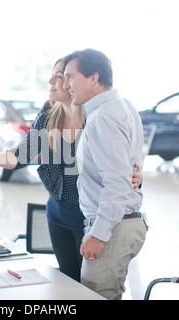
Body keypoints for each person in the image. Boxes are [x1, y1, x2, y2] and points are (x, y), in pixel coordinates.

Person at [0, 58, 142, 282]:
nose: (52, 82)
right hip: (57, 212)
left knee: (92, 287)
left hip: (91, 216)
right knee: (68, 281)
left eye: (61, 76)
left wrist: (136, 176)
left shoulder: (97, 117)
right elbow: (21, 156)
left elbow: (120, 167)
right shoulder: (48, 114)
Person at [62, 48, 147, 300]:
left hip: (113, 228)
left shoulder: (104, 117)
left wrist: (98, 235)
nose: (66, 85)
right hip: (123, 222)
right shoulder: (122, 106)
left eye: (70, 77)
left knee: (96, 296)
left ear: (93, 78)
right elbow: (128, 169)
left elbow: (117, 182)